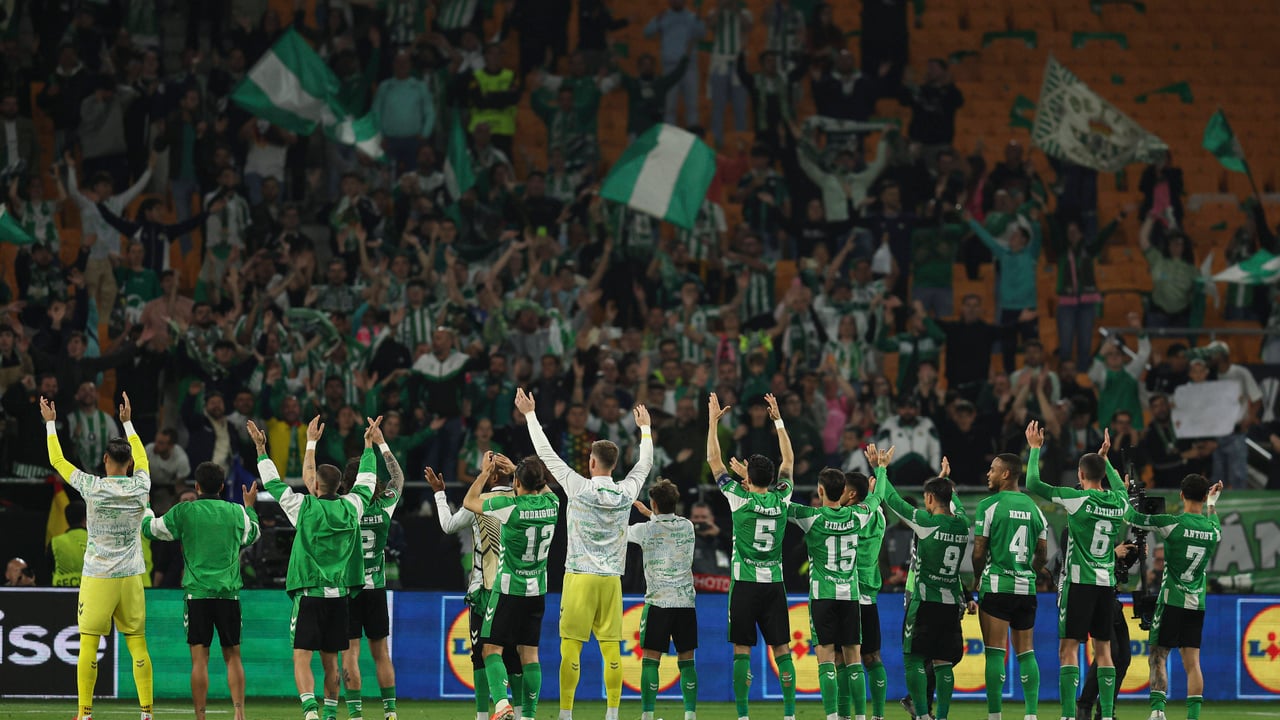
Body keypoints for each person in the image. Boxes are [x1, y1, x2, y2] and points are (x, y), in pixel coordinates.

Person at [516, 386, 653, 720]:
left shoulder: (577, 486)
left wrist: (530, 414)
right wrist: (646, 429)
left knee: (571, 648)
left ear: (592, 462)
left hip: (579, 576)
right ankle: (613, 713)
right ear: (615, 464)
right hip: (611, 581)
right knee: (612, 651)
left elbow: (546, 455)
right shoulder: (626, 491)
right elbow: (645, 463)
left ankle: (565, 713)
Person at [247, 417, 378, 720]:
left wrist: (261, 449)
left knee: (301, 657)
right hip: (339, 596)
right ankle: (331, 714)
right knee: (331, 660)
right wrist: (369, 445)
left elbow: (274, 484)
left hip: (309, 592)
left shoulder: (304, 508)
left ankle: (310, 712)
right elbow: (368, 481)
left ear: (315, 486)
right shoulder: (352, 507)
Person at [42, 392, 153, 720]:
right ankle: (146, 714)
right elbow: (144, 459)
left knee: (89, 642)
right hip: (132, 576)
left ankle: (85, 714)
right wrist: (128, 422)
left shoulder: (91, 486)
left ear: (106, 460)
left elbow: (58, 462)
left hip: (99, 576)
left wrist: (50, 425)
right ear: (129, 463)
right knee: (137, 645)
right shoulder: (141, 485)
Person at [141, 461, 262, 720]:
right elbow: (253, 535)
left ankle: (201, 716)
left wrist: (145, 507)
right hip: (228, 595)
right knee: (233, 657)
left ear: (196, 486)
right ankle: (239, 714)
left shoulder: (185, 511)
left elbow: (149, 530)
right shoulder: (236, 511)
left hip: (197, 596)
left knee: (199, 660)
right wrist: (250, 508)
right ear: (221, 486)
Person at [1025, 421, 1126, 720]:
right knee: (1105, 651)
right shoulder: (1119, 502)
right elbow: (1120, 486)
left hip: (1079, 583)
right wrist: (1107, 461)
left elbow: (1033, 483)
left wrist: (1034, 449)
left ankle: (1069, 715)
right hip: (1106, 584)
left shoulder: (1077, 498)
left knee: (1068, 650)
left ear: (1080, 476)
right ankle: (1106, 715)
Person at [706, 392, 798, 720]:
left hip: (744, 584)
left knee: (741, 651)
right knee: (783, 650)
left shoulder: (738, 499)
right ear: (772, 479)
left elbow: (714, 462)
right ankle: (789, 714)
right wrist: (778, 420)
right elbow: (788, 461)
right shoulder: (783, 498)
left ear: (747, 479)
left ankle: (743, 715)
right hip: (774, 583)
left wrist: (713, 423)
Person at [462, 451, 561, 720]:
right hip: (538, 591)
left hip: (508, 590)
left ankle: (502, 704)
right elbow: (541, 485)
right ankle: (527, 715)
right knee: (530, 655)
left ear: (517, 483)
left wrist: (484, 473)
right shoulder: (553, 504)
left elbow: (470, 502)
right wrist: (519, 470)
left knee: (490, 649)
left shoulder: (510, 507)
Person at [877, 446, 973, 720]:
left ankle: (921, 714)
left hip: (924, 602)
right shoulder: (963, 524)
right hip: (949, 604)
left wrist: (881, 468)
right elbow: (952, 502)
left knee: (914, 658)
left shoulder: (925, 523)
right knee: (943, 664)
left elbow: (891, 498)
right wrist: (944, 482)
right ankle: (941, 716)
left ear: (929, 498)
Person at [788, 462, 885, 720]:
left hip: (823, 595)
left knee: (827, 658)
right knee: (854, 659)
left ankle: (833, 716)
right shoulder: (857, 516)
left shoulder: (811, 517)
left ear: (820, 490)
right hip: (850, 596)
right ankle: (862, 717)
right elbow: (876, 499)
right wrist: (882, 469)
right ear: (843, 489)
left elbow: (778, 505)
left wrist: (753, 486)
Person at [430, 465, 527, 720]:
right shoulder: (522, 502)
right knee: (514, 656)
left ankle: (483, 716)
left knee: (481, 656)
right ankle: (520, 714)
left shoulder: (478, 503)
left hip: (483, 591)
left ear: (491, 476)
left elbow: (448, 525)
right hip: (515, 590)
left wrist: (440, 494)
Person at [1125, 475, 1223, 720]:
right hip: (1196, 603)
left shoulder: (1173, 523)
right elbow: (1216, 525)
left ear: (1181, 495)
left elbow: (1131, 517)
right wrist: (1212, 503)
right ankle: (1193, 717)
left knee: (1159, 654)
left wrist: (1124, 492)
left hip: (1171, 600)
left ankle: (1158, 712)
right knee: (1193, 663)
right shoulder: (1212, 530)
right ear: (1203, 497)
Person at [971, 453, 1049, 720]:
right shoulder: (1035, 508)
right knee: (1026, 651)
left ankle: (995, 716)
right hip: (1026, 589)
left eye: (992, 470)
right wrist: (1031, 573)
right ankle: (1031, 715)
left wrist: (976, 578)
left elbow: (979, 551)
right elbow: (1043, 554)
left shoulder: (989, 505)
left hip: (997, 586)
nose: (988, 474)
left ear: (1006, 474)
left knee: (995, 652)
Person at [341, 418, 408, 720]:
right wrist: (380, 443)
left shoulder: (342, 508)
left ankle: (355, 714)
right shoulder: (385, 505)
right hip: (376, 587)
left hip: (349, 588)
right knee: (381, 652)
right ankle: (390, 712)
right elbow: (399, 478)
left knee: (350, 652)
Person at [628, 479, 699, 720]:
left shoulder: (644, 530)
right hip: (685, 604)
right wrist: (652, 513)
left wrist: (648, 515)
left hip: (658, 603)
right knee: (687, 661)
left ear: (654, 503)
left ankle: (647, 715)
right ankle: (690, 715)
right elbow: (667, 522)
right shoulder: (688, 526)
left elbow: (621, 532)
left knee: (650, 661)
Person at [51, 501, 89, 587]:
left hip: (60, 594)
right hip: (88, 592)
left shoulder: (54, 542)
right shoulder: (95, 541)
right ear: (85, 518)